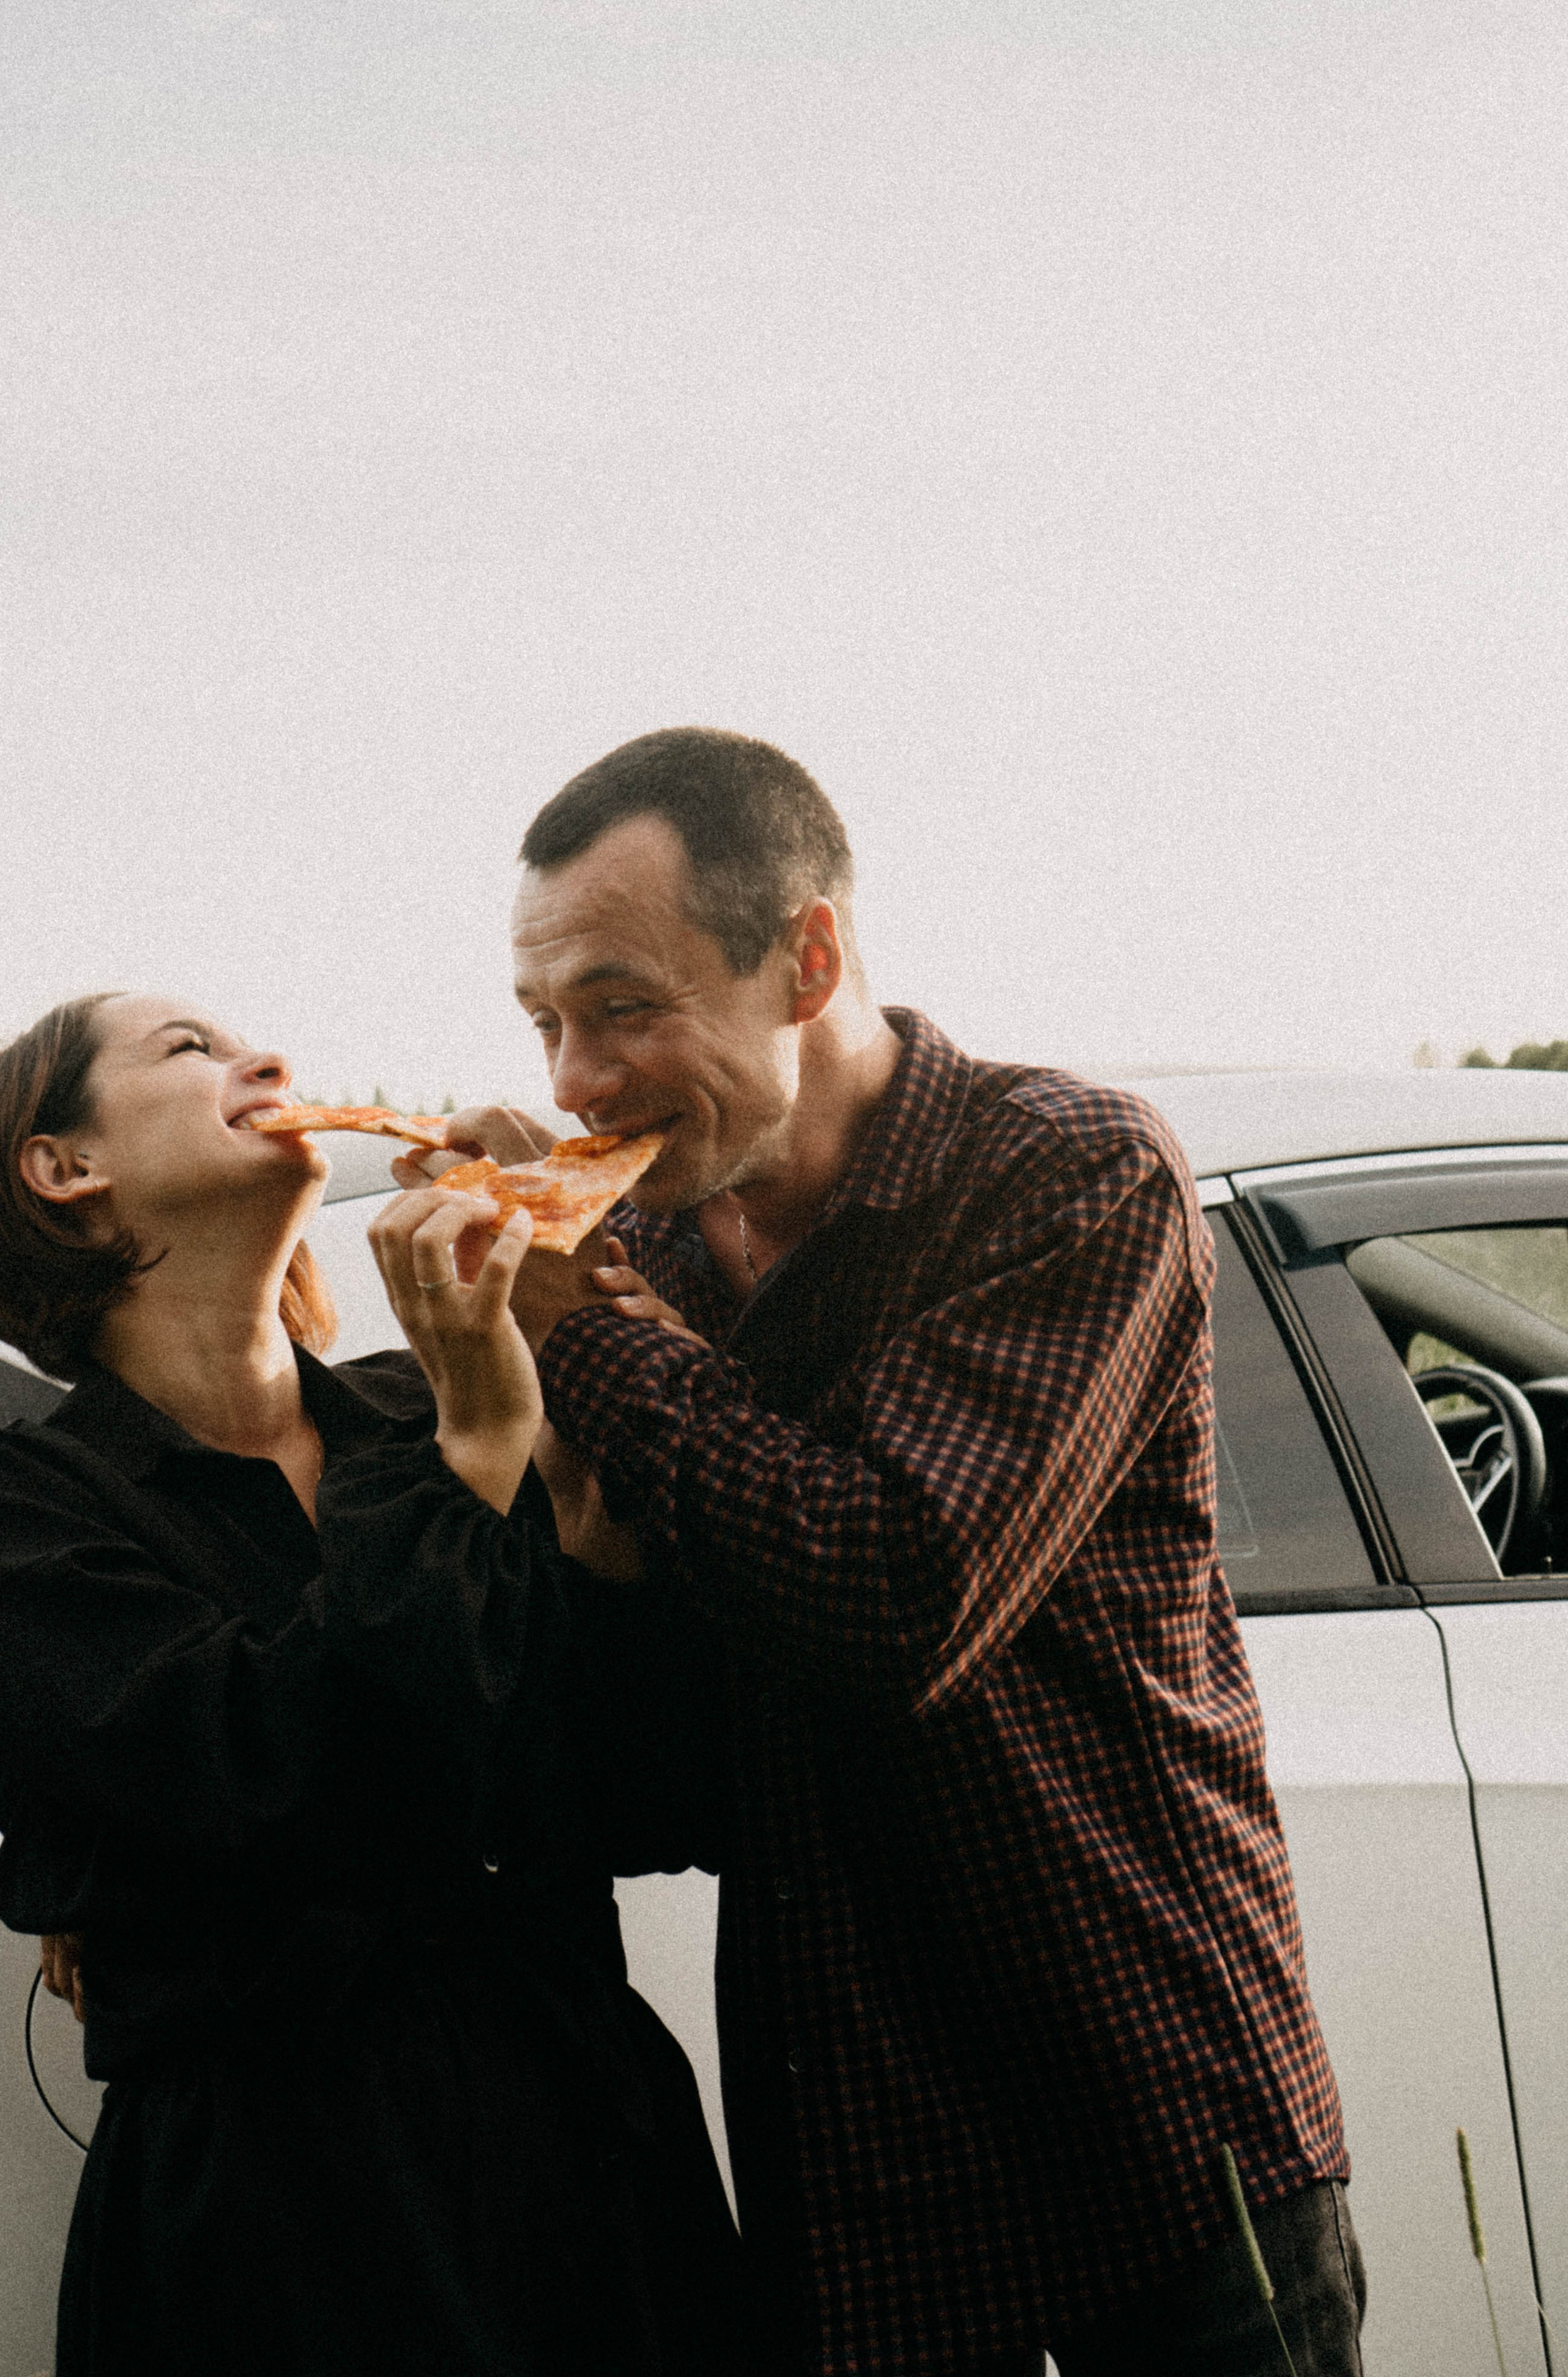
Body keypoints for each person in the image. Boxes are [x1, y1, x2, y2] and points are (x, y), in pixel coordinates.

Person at [421, 727, 1366, 2377]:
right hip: (854, 2183)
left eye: (624, 1008)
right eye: (545, 1026)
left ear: (810, 956)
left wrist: (587, 1336)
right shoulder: (638, 1250)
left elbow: (893, 1598)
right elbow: (647, 1774)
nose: (573, 1083)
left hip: (1140, 2128)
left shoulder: (1066, 1173)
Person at [0, 992, 746, 2377]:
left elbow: (659, 1794)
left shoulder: (429, 1392)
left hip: (589, 2169)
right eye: (189, 1050)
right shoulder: (34, 1507)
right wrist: (472, 1453)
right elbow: (261, 1770)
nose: (263, 1061)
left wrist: (583, 1481)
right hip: (283, 2226)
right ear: (63, 1168)